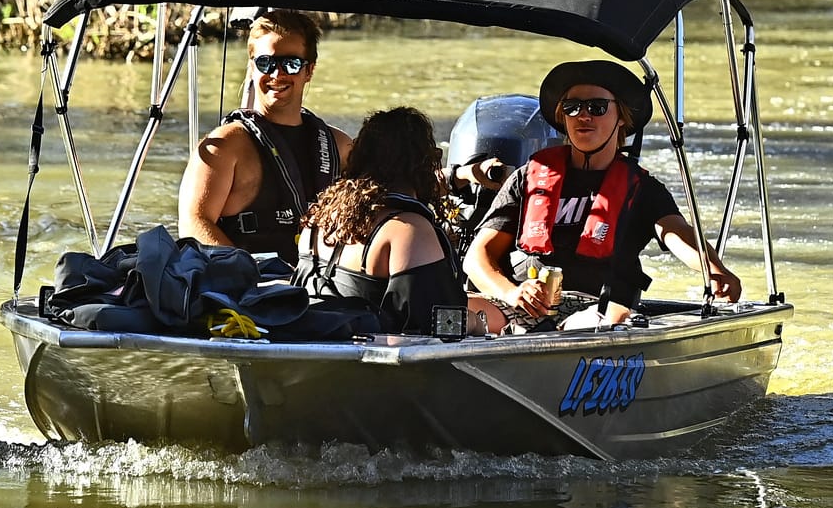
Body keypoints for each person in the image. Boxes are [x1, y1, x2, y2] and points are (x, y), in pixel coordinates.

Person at [464, 59, 742, 330]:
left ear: (621, 117)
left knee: (614, 318)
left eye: (596, 107)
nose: (583, 116)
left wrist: (714, 269)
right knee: (452, 312)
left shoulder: (642, 188)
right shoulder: (528, 177)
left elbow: (675, 233)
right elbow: (477, 257)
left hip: (599, 307)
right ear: (562, 116)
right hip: (524, 302)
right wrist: (511, 293)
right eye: (572, 108)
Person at [178, 10, 353, 263]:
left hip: (322, 289)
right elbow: (193, 225)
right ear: (252, 68)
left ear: (309, 71)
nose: (276, 75)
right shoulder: (223, 147)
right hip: (247, 293)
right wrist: (255, 281)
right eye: (265, 63)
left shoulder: (340, 147)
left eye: (291, 64)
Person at [295, 107, 486, 335]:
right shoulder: (408, 230)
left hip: (308, 348)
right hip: (373, 367)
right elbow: (443, 325)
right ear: (423, 165)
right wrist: (478, 322)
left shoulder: (318, 221)